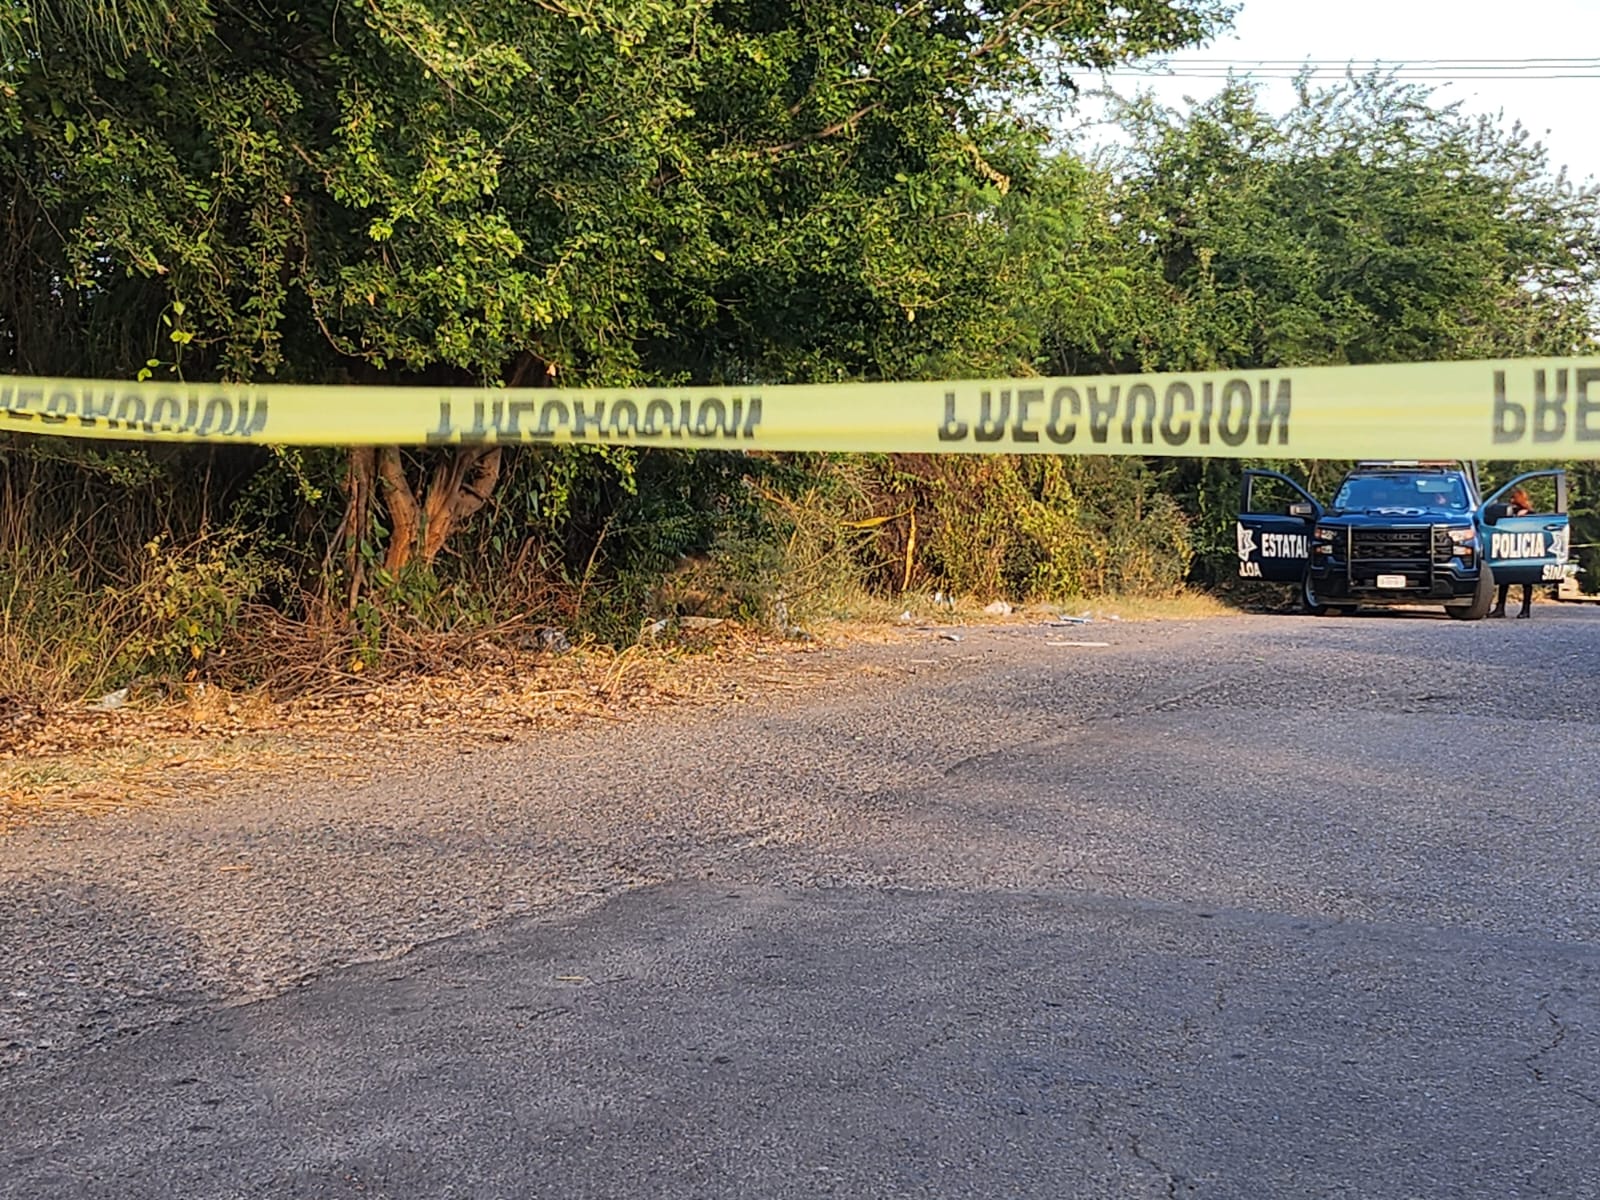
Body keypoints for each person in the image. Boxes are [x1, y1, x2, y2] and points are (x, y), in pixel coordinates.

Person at [1487, 487, 1534, 619]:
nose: (1511, 501)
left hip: (1525, 548)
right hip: (1511, 547)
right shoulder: (1509, 512)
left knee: (1527, 580)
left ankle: (1526, 609)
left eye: (1513, 498)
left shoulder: (1530, 514)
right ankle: (1500, 607)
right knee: (1505, 579)